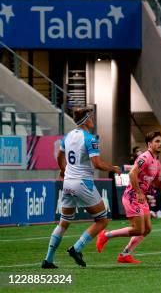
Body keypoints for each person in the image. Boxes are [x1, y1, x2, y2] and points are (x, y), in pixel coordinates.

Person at [42, 107, 120, 269]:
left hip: (68, 183)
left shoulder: (68, 136)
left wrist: (63, 171)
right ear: (85, 120)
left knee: (63, 223)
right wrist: (113, 168)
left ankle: (48, 260)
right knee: (102, 219)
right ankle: (77, 248)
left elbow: (59, 156)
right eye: (91, 117)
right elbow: (97, 164)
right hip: (83, 183)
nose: (93, 120)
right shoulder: (90, 139)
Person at [96, 131, 161, 263]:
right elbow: (132, 174)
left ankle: (124, 255)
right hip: (132, 196)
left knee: (147, 229)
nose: (160, 144)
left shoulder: (156, 162)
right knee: (138, 229)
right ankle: (105, 235)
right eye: (157, 141)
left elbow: (157, 182)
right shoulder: (144, 158)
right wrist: (139, 192)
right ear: (149, 144)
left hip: (140, 197)